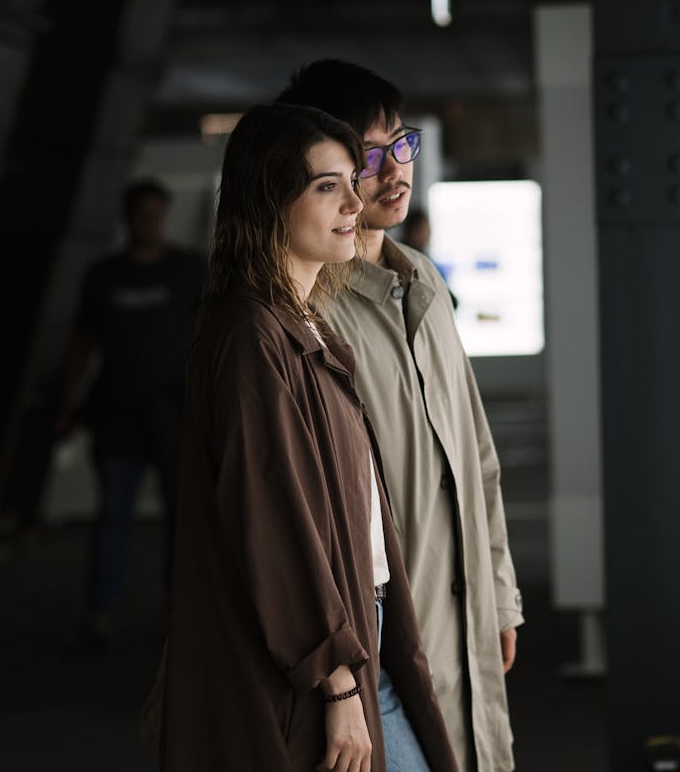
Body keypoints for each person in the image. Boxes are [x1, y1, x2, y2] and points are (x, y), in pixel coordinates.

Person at [158, 102, 457, 772]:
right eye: (328, 186)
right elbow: (273, 521)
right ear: (271, 199)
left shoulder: (302, 325)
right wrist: (337, 679)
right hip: (322, 665)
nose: (356, 200)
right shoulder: (252, 336)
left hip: (361, 632)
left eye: (353, 180)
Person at [279, 60, 523, 771]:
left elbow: (475, 455)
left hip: (464, 606)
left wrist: (501, 595)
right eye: (368, 157)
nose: (395, 172)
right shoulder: (310, 307)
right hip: (379, 635)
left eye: (401, 145)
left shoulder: (424, 280)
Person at [56, 178, 205, 648]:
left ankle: (182, 616)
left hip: (175, 414)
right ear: (128, 218)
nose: (150, 223)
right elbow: (81, 344)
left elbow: (214, 337)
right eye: (142, 215)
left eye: (156, 214)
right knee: (113, 517)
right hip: (117, 415)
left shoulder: (188, 271)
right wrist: (66, 402)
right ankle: (101, 616)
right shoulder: (105, 276)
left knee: (184, 522)